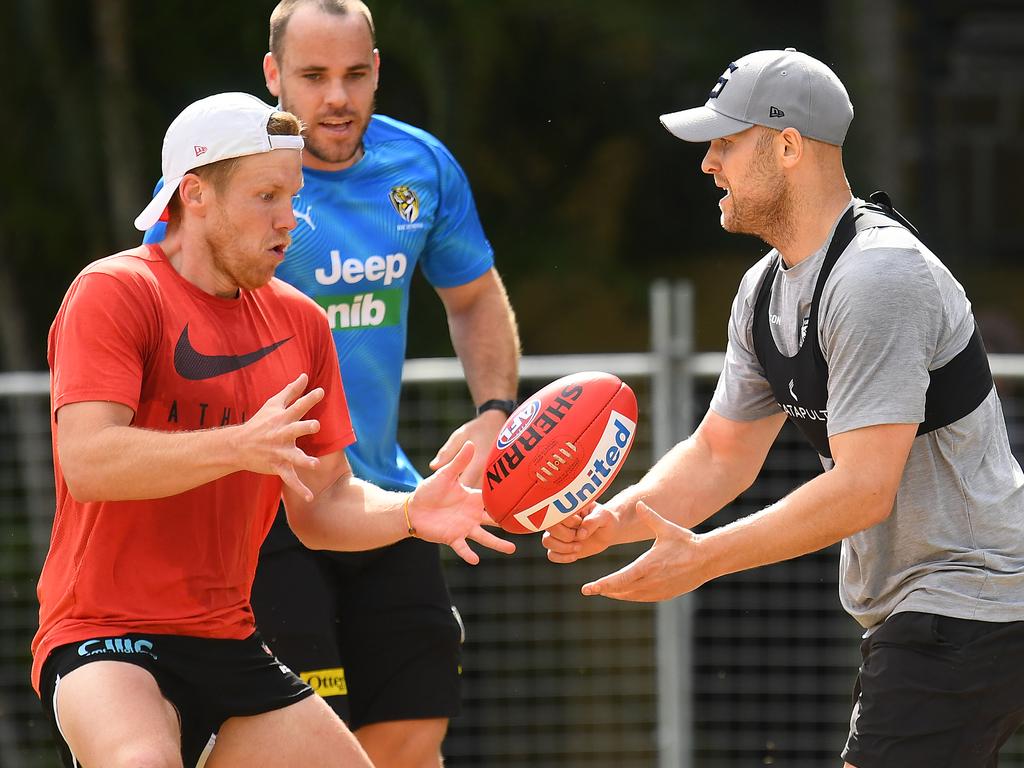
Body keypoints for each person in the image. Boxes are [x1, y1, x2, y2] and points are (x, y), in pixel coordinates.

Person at [543, 48, 1024, 767]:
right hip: (933, 606)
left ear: (789, 147)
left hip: (971, 598)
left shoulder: (876, 277)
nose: (709, 163)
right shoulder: (764, 290)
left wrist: (703, 558)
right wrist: (617, 519)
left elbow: (864, 487)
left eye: (726, 142)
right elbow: (719, 455)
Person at [33, 91, 514, 768]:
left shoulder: (301, 321)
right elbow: (87, 461)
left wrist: (412, 510)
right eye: (267, 196)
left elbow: (324, 506)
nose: (291, 219)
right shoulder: (114, 292)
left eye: (293, 195)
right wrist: (238, 444)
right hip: (104, 635)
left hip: (230, 642)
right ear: (195, 194)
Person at [144, 2, 519, 765]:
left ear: (378, 69)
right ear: (274, 77)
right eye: (313, 77)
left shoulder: (420, 167)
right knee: (299, 743)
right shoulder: (225, 177)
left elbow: (475, 296)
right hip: (260, 509)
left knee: (414, 734)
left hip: (379, 492)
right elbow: (163, 307)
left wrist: (493, 412)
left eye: (354, 75)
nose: (337, 98)